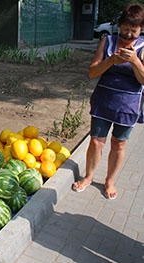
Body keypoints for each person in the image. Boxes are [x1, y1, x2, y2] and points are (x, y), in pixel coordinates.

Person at [72, 3, 144, 199]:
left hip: (128, 104)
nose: (128, 34)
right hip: (104, 100)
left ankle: (109, 181)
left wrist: (135, 61)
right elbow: (92, 72)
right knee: (96, 141)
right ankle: (88, 177)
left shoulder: (143, 47)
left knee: (119, 144)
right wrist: (111, 60)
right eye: (125, 29)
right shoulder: (107, 42)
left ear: (141, 29)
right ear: (119, 25)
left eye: (134, 30)